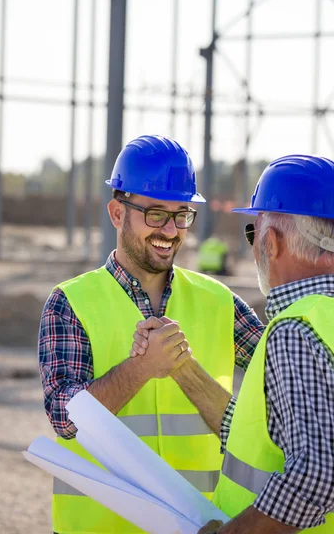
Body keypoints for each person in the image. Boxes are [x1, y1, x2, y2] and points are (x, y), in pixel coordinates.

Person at [38, 135, 264, 534]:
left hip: (200, 524)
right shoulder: (71, 302)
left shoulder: (220, 302)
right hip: (99, 527)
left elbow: (280, 375)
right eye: (156, 214)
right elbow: (64, 418)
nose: (171, 230)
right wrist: (140, 368)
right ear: (116, 213)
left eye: (182, 215)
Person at [132, 154, 334, 533]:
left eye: (252, 232)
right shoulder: (323, 322)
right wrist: (183, 368)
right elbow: (264, 436)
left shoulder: (296, 329)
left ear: (271, 241)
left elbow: (317, 476)